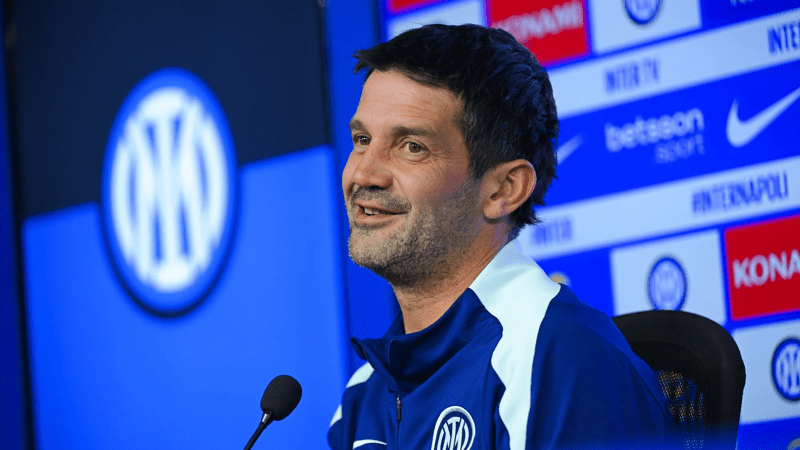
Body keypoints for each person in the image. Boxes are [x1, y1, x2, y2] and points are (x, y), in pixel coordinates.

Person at [328, 24, 678, 449]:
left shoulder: (557, 355)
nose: (363, 173)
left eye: (412, 147)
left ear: (502, 190)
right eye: (362, 139)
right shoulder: (363, 394)